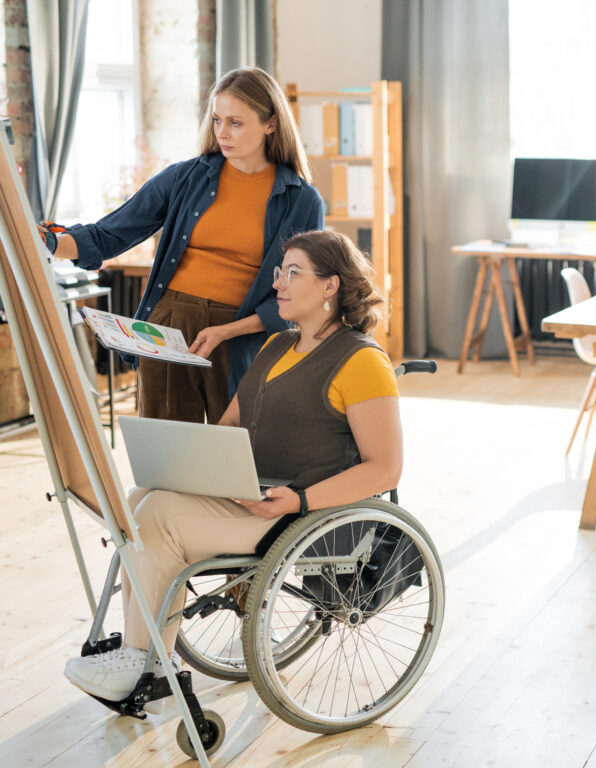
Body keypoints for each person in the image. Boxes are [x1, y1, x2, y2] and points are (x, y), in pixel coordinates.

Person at [63, 230, 402, 708]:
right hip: (253, 497)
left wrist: (300, 499)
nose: (278, 283)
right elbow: (225, 434)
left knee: (154, 517)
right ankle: (145, 654)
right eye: (279, 272)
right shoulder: (275, 348)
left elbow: (385, 469)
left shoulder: (363, 361)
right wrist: (182, 465)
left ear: (330, 286)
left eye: (293, 273)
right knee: (141, 500)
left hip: (303, 514)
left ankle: (146, 658)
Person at [41, 67, 323, 423]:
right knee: (166, 456)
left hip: (241, 336)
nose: (222, 133)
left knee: (237, 456)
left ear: (271, 124)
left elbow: (299, 297)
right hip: (168, 328)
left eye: (235, 123)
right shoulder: (186, 178)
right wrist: (46, 243)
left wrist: (226, 331)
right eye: (217, 120)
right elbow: (110, 233)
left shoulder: (301, 200)